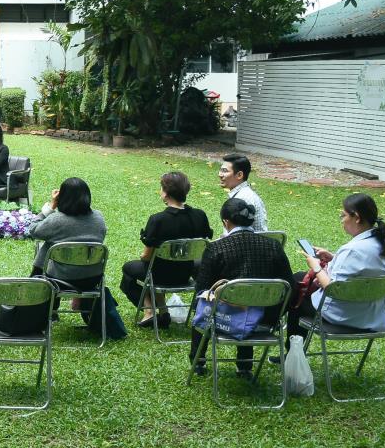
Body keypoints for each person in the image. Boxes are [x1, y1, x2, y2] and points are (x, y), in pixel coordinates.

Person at [189, 198, 292, 377]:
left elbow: (202, 290)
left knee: (202, 303)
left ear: (226, 222)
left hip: (225, 319)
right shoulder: (273, 246)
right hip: (264, 319)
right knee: (251, 302)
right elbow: (289, 286)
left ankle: (198, 361)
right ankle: (244, 365)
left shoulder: (216, 249)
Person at [288, 193, 385, 338]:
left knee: (296, 291)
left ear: (357, 217)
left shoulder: (351, 249)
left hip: (342, 315)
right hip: (371, 315)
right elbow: (364, 269)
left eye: (343, 216)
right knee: (299, 278)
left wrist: (316, 266)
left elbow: (332, 288)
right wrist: (334, 258)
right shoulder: (384, 244)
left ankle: (291, 347)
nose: (342, 221)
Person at [119, 172, 213, 328]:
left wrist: (144, 256)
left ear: (166, 192)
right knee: (154, 267)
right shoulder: (199, 216)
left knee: (130, 269)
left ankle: (149, 311)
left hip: (159, 275)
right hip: (185, 274)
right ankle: (164, 312)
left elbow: (146, 256)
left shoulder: (158, 220)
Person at [219, 153, 268, 233]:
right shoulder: (243, 193)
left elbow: (237, 236)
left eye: (225, 171)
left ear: (239, 175)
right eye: (221, 170)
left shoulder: (243, 199)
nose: (220, 175)